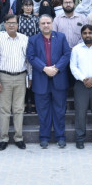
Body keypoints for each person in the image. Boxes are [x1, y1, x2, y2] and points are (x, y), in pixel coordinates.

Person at [26, 14, 71, 149]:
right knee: (43, 111)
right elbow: (31, 57)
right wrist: (45, 68)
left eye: (48, 23)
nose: (46, 25)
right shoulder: (33, 39)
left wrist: (56, 68)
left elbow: (67, 54)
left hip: (59, 79)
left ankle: (60, 137)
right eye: (43, 23)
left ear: (52, 24)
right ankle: (44, 137)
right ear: (39, 25)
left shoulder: (61, 37)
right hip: (41, 80)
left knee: (59, 110)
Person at [0, 14, 31, 151]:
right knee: (4, 109)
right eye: (9, 23)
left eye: (14, 23)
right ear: (5, 24)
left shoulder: (24, 39)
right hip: (4, 77)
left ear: (18, 24)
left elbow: (28, 61)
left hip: (20, 77)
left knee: (19, 109)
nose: (11, 25)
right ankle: (3, 138)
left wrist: (29, 77)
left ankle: (18, 138)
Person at [18, 0, 40, 114]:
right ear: (22, 7)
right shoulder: (18, 18)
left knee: (33, 77)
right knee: (23, 76)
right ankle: (25, 103)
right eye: (25, 5)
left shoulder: (37, 19)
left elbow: (38, 35)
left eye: (30, 5)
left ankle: (33, 103)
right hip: (19, 51)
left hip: (33, 50)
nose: (28, 7)